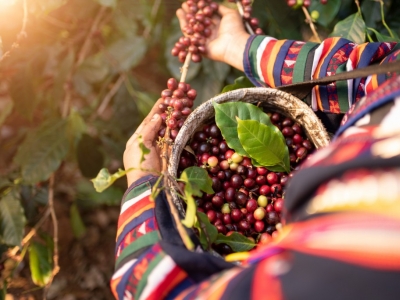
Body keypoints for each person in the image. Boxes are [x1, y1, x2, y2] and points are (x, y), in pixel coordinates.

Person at [111, 4, 400, 300]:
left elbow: (153, 291)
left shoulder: (351, 266)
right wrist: (243, 48)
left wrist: (142, 183)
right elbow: (364, 74)